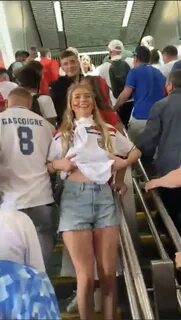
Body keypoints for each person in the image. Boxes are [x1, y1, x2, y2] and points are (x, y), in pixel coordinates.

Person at [47, 83, 141, 319]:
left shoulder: (106, 130)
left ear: (93, 101)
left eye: (87, 96)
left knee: (109, 273)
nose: (82, 100)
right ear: (70, 103)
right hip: (73, 199)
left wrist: (121, 171)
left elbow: (134, 151)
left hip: (103, 198)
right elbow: (49, 163)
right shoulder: (62, 134)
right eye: (77, 97)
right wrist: (62, 165)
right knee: (86, 276)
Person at [0, 87, 57, 266]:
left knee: (12, 260)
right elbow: (54, 163)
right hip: (41, 197)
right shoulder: (47, 126)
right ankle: (40, 287)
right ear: (30, 104)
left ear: (8, 102)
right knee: (41, 253)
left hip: (9, 200)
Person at [137, 70, 181, 233]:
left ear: (169, 85)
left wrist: (144, 161)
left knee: (171, 213)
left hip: (170, 170)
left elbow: (149, 140)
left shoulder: (161, 105)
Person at [114, 46, 166, 144]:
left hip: (140, 118)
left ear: (136, 58)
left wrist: (114, 108)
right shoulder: (159, 73)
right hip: (158, 119)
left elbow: (125, 95)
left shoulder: (134, 72)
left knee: (133, 149)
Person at [50, 50, 82, 125]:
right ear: (62, 68)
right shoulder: (57, 86)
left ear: (78, 63)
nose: (70, 66)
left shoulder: (89, 81)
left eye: (72, 62)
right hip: (67, 126)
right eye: (65, 64)